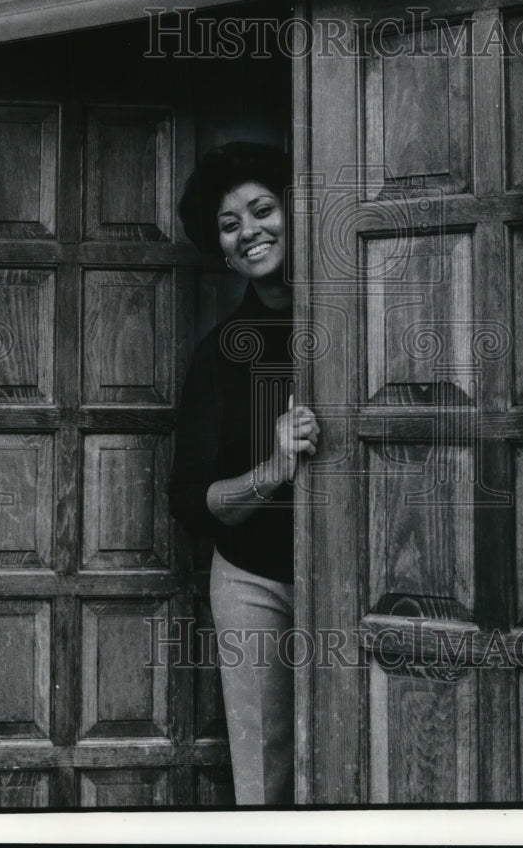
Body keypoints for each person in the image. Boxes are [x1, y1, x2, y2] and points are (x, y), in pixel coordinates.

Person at [169, 141, 319, 805]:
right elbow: (190, 502)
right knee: (265, 777)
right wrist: (274, 467)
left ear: (296, 210)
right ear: (223, 249)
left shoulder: (361, 322)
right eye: (231, 225)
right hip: (254, 578)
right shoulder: (218, 357)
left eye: (262, 210)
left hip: (360, 578)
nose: (250, 230)